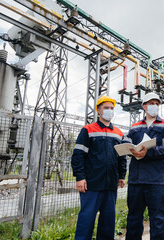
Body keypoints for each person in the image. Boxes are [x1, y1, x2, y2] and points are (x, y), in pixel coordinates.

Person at [71, 95, 126, 240]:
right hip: (92, 184)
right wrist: (80, 177)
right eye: (106, 108)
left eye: (112, 108)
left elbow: (122, 157)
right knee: (86, 220)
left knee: (108, 221)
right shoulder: (88, 130)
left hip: (110, 185)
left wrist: (122, 176)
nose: (109, 111)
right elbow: (78, 155)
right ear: (98, 111)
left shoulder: (119, 133)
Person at [124, 92, 164, 240]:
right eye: (151, 103)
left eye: (157, 104)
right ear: (144, 106)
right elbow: (126, 142)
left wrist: (148, 153)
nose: (154, 106)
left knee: (158, 220)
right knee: (133, 219)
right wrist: (130, 150)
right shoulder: (135, 127)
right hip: (136, 180)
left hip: (156, 180)